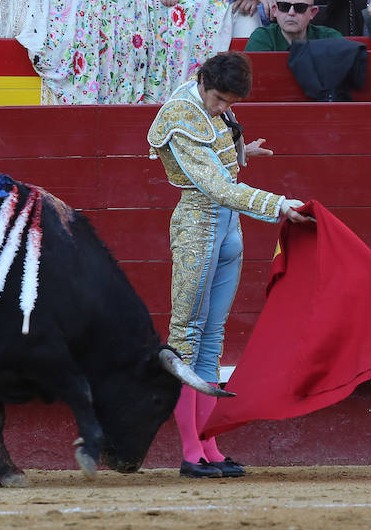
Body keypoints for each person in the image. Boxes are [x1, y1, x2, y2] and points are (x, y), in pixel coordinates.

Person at [146, 51, 312, 479]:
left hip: (227, 227)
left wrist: (243, 151)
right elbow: (215, 185)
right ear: (202, 81)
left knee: (213, 338)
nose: (223, 107)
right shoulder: (179, 115)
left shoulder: (213, 105)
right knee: (186, 338)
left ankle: (210, 444)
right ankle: (189, 451)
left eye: (229, 101)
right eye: (218, 99)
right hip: (197, 226)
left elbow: (221, 155)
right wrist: (277, 204)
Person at [244, 0, 342, 50]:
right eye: (284, 6)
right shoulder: (262, 38)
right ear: (274, 10)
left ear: (312, 12)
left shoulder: (329, 38)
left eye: (300, 7)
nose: (291, 13)